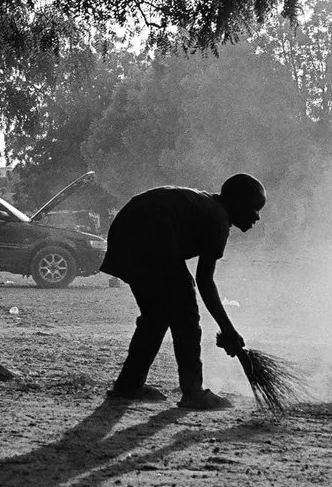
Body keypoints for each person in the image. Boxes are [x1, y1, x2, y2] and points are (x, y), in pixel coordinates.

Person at [97, 174, 266, 410]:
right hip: (148, 237)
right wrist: (229, 330)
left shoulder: (210, 208)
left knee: (155, 317)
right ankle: (193, 392)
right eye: (255, 208)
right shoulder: (217, 218)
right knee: (185, 310)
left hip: (126, 237)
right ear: (237, 201)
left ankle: (128, 386)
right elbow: (205, 281)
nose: (257, 217)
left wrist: (228, 330)